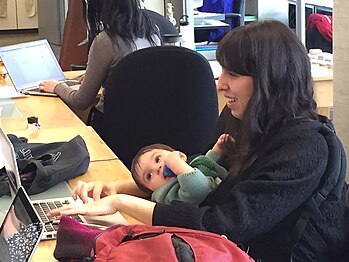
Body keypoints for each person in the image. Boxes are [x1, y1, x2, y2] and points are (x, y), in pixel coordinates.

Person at [48, 20, 349, 261]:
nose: (221, 84)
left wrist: (122, 202)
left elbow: (223, 225)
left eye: (233, 73)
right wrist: (124, 187)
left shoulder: (306, 148)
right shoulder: (245, 121)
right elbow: (199, 175)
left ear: (269, 78)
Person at [39, 0, 161, 135]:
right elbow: (133, 78)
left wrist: (56, 87)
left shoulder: (106, 40)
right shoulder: (152, 33)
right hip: (149, 123)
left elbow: (81, 101)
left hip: (111, 125)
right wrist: (100, 76)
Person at [130, 134, 231, 206]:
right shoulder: (170, 196)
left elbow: (204, 166)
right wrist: (176, 163)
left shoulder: (186, 171)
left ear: (179, 155)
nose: (157, 168)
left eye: (157, 159)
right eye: (149, 176)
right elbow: (199, 188)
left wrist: (217, 149)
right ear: (152, 191)